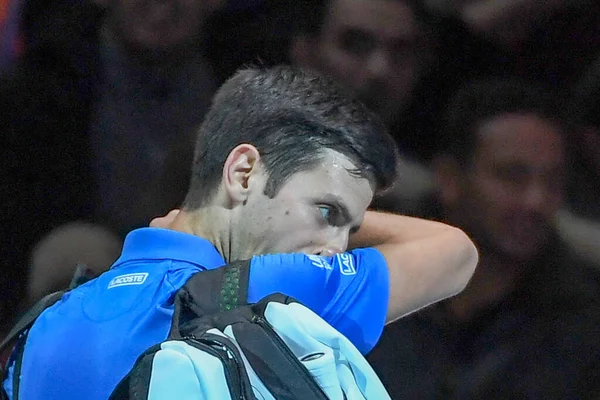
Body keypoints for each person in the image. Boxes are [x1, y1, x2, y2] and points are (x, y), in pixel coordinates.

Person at [3, 65, 478, 400]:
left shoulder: (47, 320)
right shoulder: (272, 296)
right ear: (245, 173)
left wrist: (195, 206)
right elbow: (454, 253)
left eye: (350, 228)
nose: (336, 250)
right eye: (328, 212)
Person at [367, 79, 600, 398]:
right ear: (450, 178)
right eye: (513, 176)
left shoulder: (581, 325)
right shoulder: (365, 277)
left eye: (553, 180)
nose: (537, 200)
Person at [0, 0, 223, 330]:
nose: (161, 9)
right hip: (85, 270)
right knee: (74, 249)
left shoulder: (238, 81)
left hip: (192, 266)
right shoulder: (42, 86)